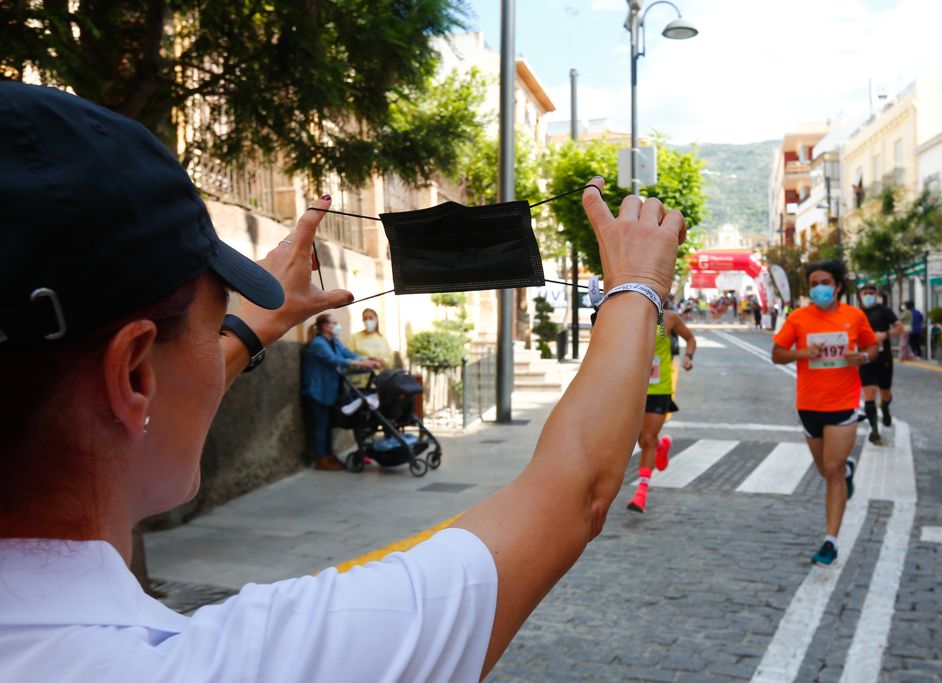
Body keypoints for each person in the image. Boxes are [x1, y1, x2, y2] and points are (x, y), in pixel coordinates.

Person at [0, 83, 688, 682]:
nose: (220, 347)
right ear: (134, 373)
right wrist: (636, 284)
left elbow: (134, 420)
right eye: (211, 329)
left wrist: (247, 332)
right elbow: (576, 491)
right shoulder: (239, 663)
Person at [772, 260, 878, 566]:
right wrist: (801, 352)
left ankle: (830, 541)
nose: (819, 289)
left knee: (831, 469)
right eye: (814, 284)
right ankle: (847, 471)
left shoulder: (854, 316)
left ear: (838, 286)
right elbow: (777, 354)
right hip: (809, 405)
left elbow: (872, 348)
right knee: (826, 470)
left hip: (843, 403)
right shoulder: (799, 317)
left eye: (825, 283)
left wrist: (862, 357)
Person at [626, 310, 697, 513]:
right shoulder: (630, 314)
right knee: (642, 440)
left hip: (659, 388)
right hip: (633, 388)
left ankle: (641, 493)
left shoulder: (669, 318)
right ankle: (662, 447)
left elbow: (690, 339)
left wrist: (688, 357)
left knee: (648, 439)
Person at [302, 313, 380, 470]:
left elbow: (346, 353)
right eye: (334, 323)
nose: (338, 326)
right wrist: (360, 364)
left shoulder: (334, 341)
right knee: (320, 426)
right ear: (325, 326)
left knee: (327, 426)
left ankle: (329, 455)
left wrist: (365, 360)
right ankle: (321, 459)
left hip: (328, 391)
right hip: (317, 391)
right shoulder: (318, 343)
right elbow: (334, 360)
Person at [857, 284, 902, 445]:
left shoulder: (884, 311)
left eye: (872, 293)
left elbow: (900, 328)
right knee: (869, 393)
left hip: (884, 359)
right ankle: (874, 430)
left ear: (876, 295)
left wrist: (885, 334)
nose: (868, 295)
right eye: (865, 293)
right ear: (860, 295)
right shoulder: (857, 313)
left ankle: (885, 406)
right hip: (865, 358)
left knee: (885, 392)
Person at [348, 307, 393, 388]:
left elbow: (390, 359)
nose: (368, 321)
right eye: (365, 319)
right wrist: (365, 361)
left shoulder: (382, 339)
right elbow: (347, 358)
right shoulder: (354, 338)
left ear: (376, 319)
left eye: (370, 318)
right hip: (359, 385)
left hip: (380, 383)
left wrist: (382, 361)